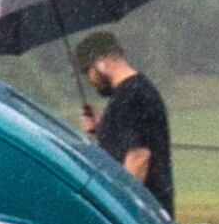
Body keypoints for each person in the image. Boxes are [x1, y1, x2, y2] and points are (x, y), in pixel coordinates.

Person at [73, 30, 173, 211]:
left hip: (143, 212)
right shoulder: (133, 91)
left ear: (101, 61)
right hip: (154, 206)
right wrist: (101, 127)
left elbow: (139, 157)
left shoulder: (130, 96)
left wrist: (121, 208)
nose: (89, 80)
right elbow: (128, 140)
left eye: (87, 71)